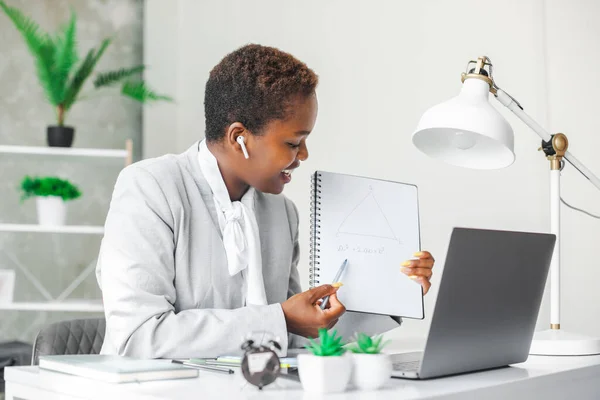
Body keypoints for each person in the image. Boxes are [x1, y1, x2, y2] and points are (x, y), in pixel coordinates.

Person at [95, 44, 435, 359]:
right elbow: (137, 337)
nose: (304, 154)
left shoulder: (281, 213)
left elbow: (303, 330)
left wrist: (395, 296)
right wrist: (278, 319)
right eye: (293, 142)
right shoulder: (150, 189)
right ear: (239, 137)